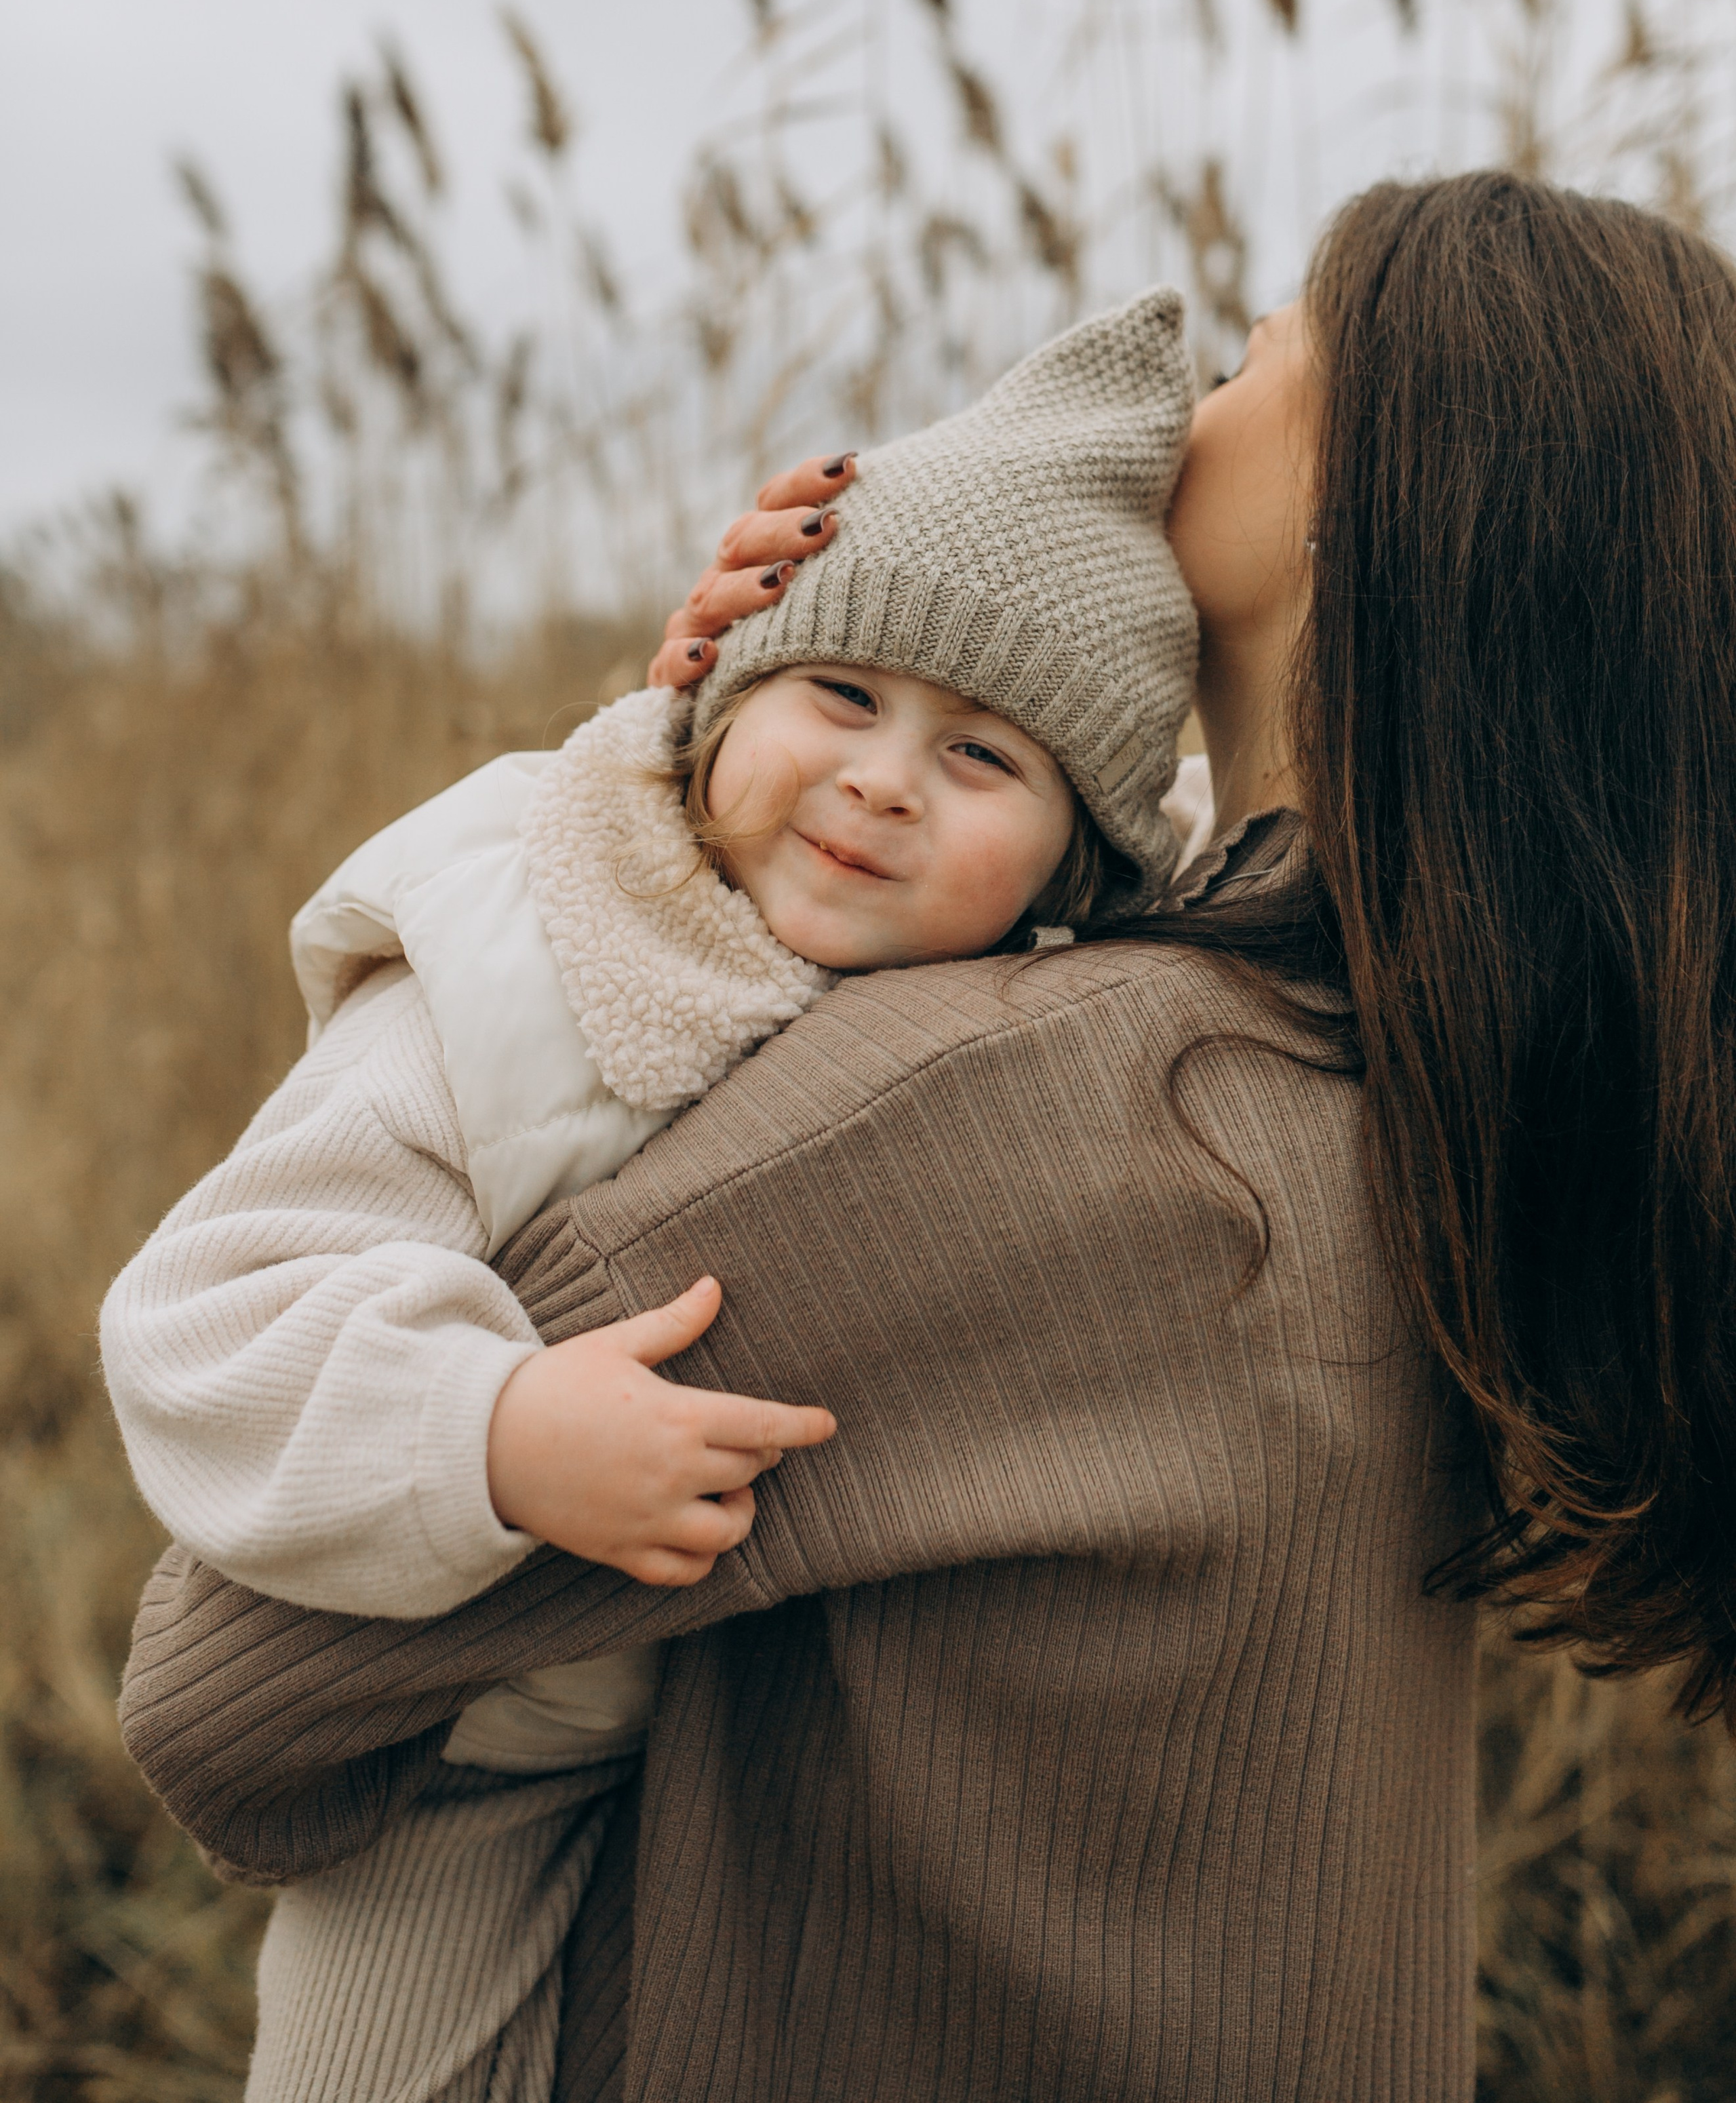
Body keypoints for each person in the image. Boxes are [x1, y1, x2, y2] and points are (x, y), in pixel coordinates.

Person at [117, 173, 1736, 2103]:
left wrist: (689, 809)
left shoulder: (1072, 1112)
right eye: (848, 704)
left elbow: (225, 1694)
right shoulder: (1440, 1107)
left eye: (1249, 359)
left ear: (1360, 493)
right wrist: (699, 763)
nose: (1188, 407)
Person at [100, 289, 1200, 2103]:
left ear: (1080, 862)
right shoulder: (524, 948)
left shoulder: (1020, 999)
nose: (880, 779)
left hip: (779, 1744)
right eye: (843, 692)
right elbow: (208, 1320)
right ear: (716, 688)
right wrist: (495, 1424)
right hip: (470, 1758)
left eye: (983, 757)